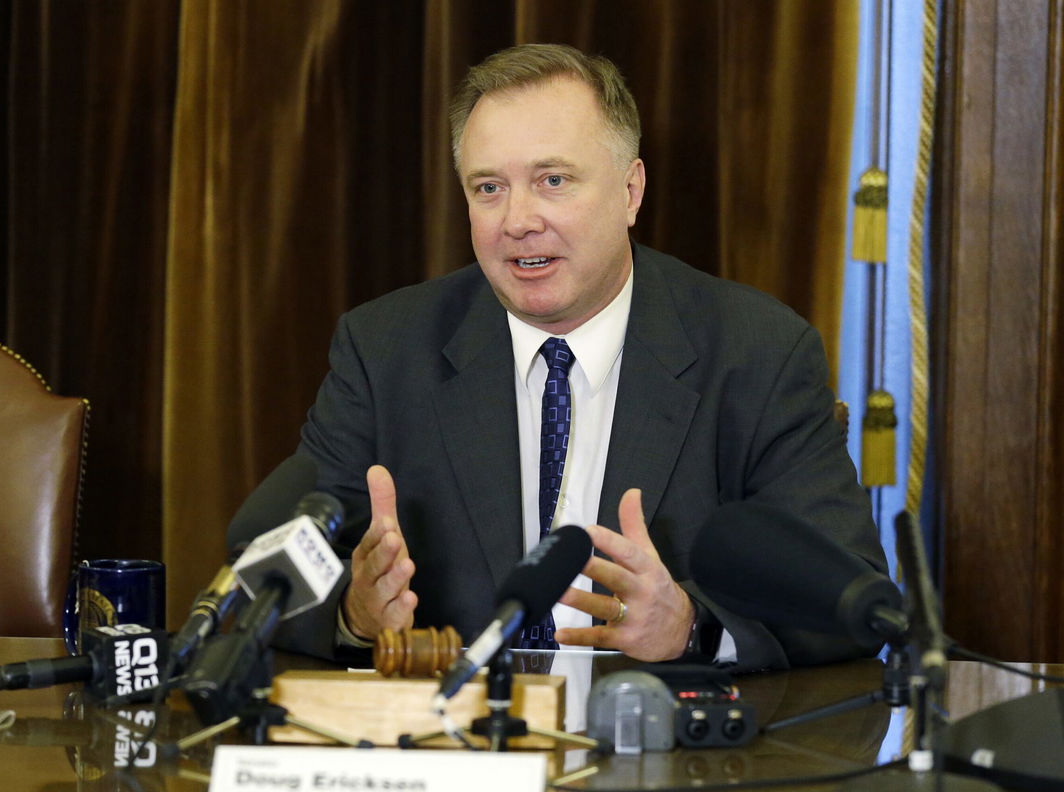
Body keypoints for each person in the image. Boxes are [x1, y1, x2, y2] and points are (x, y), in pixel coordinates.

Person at [230, 43, 885, 671]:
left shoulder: (756, 352)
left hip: (665, 766)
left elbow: (853, 599)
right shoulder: (386, 349)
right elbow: (259, 581)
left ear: (630, 192)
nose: (517, 220)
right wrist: (353, 612)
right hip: (457, 755)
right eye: (488, 188)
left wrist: (691, 626)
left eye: (553, 180)